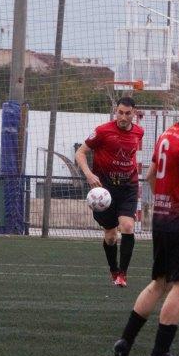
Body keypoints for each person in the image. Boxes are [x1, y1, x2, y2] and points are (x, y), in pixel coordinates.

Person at [113, 86, 179, 356]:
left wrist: (164, 200)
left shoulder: (167, 134)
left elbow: (150, 175)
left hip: (161, 218)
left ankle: (125, 341)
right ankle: (160, 352)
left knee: (160, 282)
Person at [76, 97, 144, 286]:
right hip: (104, 190)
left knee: (127, 226)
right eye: (120, 112)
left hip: (129, 186)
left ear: (134, 113)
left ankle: (123, 274)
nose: (123, 117)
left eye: (127, 113)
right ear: (116, 111)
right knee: (111, 236)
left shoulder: (139, 132)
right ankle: (114, 270)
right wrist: (89, 175)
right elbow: (80, 153)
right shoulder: (102, 131)